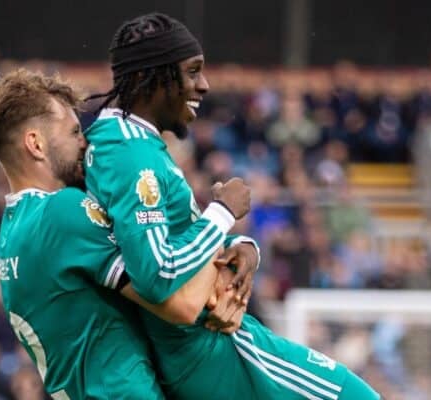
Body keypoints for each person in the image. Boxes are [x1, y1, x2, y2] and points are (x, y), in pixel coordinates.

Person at [84, 12, 382, 399]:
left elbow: (169, 243)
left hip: (201, 348)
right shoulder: (131, 155)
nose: (204, 86)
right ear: (146, 78)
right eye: (192, 72)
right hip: (213, 346)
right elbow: (157, 274)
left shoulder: (118, 142)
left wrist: (244, 249)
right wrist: (223, 212)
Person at [0, 69, 253, 399]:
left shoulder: (14, 228)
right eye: (74, 132)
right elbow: (179, 301)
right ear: (35, 144)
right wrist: (222, 215)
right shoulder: (62, 211)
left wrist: (238, 246)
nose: (85, 142)